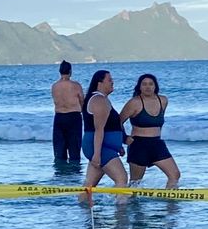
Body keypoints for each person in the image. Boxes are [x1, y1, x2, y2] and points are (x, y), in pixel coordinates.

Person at [120, 73, 179, 188]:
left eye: (151, 84)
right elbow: (118, 121)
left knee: (175, 175)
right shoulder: (134, 102)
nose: (148, 87)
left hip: (157, 144)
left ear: (155, 86)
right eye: (144, 84)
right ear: (139, 87)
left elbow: (160, 122)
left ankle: (171, 202)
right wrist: (124, 138)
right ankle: (127, 203)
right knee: (135, 183)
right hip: (138, 145)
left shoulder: (163, 100)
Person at [80, 69, 129, 198]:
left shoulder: (101, 99)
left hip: (103, 147)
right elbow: (98, 130)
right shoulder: (98, 100)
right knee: (122, 179)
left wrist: (118, 146)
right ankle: (121, 213)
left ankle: (82, 208)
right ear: (99, 83)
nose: (112, 82)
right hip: (99, 147)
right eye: (109, 80)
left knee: (89, 184)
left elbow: (109, 127)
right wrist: (96, 155)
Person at [50, 61, 84, 167]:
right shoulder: (76, 85)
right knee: (74, 150)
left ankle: (61, 174)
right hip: (73, 116)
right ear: (70, 71)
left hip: (59, 117)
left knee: (59, 151)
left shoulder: (54, 86)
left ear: (60, 71)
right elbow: (82, 101)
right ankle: (74, 175)